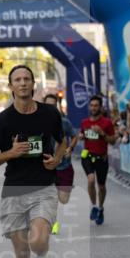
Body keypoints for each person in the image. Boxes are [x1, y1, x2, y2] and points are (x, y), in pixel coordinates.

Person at [0, 66, 66, 258]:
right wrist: (11, 153)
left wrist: (57, 159)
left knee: (38, 241)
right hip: (14, 190)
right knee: (21, 253)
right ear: (10, 86)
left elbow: (62, 141)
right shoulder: (3, 120)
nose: (22, 83)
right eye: (17, 80)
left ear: (33, 84)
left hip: (43, 187)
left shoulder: (49, 113)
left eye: (26, 79)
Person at [79, 95, 117, 225]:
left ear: (100, 107)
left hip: (101, 158)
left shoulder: (107, 123)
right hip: (87, 156)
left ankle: (100, 208)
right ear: (89, 107)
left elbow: (113, 141)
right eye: (92, 105)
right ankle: (94, 206)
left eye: (96, 105)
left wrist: (102, 133)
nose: (93, 108)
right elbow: (82, 135)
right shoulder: (84, 122)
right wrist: (81, 136)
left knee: (101, 186)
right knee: (91, 180)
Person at [43, 94, 78, 236]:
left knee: (63, 199)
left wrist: (70, 148)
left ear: (57, 106)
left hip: (64, 165)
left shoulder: (64, 122)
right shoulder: (38, 122)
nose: (51, 107)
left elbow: (75, 136)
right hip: (48, 166)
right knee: (50, 196)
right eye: (48, 105)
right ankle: (53, 222)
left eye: (53, 105)